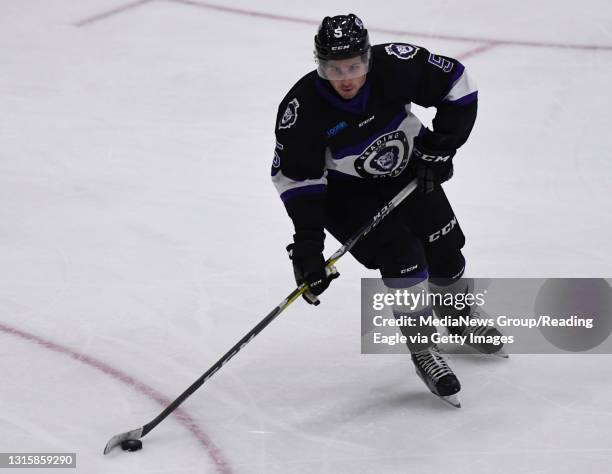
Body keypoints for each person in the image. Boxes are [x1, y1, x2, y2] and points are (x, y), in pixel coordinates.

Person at [271, 14, 502, 407]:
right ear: (319, 64)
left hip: (407, 171)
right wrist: (308, 246)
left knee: (446, 248)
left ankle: (455, 310)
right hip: (346, 196)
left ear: (368, 58)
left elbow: (459, 87)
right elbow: (299, 181)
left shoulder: (396, 65)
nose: (345, 77)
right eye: (333, 68)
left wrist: (440, 147)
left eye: (354, 66)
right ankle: (424, 349)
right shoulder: (302, 110)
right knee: (404, 258)